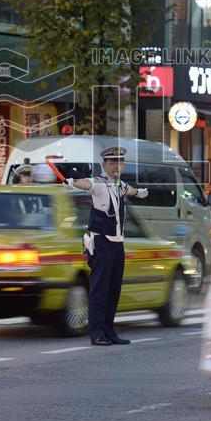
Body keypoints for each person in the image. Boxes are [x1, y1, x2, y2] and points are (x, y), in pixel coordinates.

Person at [65, 146, 148, 346]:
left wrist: (140, 192)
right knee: (100, 290)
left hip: (118, 244)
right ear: (104, 165)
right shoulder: (99, 184)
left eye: (120, 162)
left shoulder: (120, 185)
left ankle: (110, 331)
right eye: (112, 163)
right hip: (102, 243)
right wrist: (73, 182)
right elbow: (87, 184)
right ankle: (97, 333)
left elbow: (132, 190)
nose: (116, 166)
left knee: (113, 291)